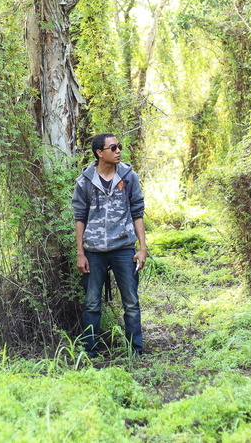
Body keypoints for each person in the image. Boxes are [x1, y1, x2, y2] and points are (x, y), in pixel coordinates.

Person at [72, 132, 147, 357]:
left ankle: (135, 351)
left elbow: (138, 213)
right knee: (92, 303)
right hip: (93, 251)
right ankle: (90, 352)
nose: (118, 151)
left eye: (119, 147)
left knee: (131, 302)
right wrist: (80, 253)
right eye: (113, 148)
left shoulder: (129, 177)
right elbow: (79, 218)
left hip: (123, 247)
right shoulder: (85, 181)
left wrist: (142, 249)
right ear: (99, 153)